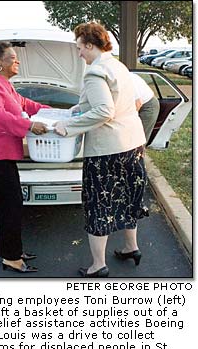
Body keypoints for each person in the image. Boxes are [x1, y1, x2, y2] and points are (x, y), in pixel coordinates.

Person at [54, 22, 148, 278]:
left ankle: (98, 265)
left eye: (79, 47)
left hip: (108, 150)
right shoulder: (118, 66)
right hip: (133, 144)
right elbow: (122, 102)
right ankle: (131, 247)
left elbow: (105, 111)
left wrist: (68, 125)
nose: (79, 53)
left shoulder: (94, 71)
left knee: (99, 206)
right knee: (128, 198)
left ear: (90, 44)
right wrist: (78, 108)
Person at [0, 42, 49, 274]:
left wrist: (54, 111)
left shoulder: (5, 85)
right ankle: (11, 258)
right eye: (12, 58)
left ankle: (13, 251)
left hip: (1, 156)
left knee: (12, 206)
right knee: (10, 207)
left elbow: (26, 104)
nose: (17, 61)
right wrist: (29, 125)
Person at [130, 73, 160, 143]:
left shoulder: (128, 80)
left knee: (139, 138)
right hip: (138, 104)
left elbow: (137, 103)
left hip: (148, 105)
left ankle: (140, 153)